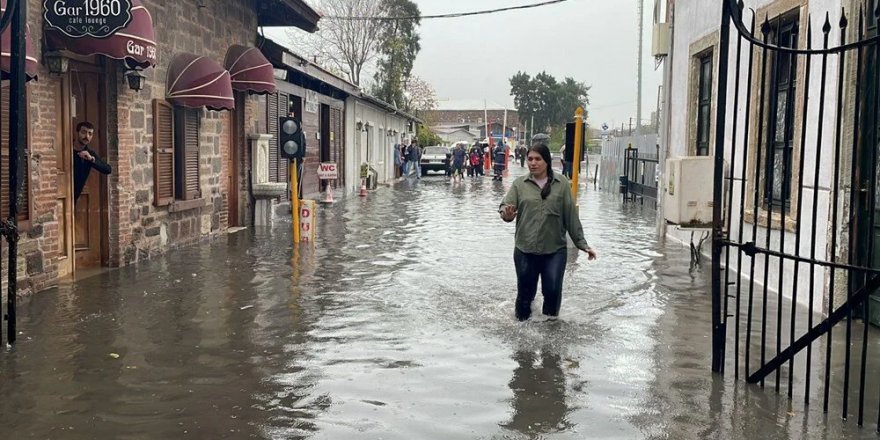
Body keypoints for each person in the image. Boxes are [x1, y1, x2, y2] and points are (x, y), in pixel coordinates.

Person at [498, 139, 597, 321]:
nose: (533, 163)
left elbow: (571, 216)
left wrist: (583, 244)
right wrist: (508, 214)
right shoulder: (520, 184)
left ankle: (551, 332)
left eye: (538, 159)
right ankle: (521, 335)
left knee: (552, 291)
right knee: (525, 295)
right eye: (530, 159)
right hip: (525, 249)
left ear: (547, 162)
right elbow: (506, 208)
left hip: (554, 250)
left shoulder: (562, 184)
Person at [73, 121, 112, 203]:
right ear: (77, 132)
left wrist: (91, 159)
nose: (87, 136)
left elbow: (108, 169)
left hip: (75, 196)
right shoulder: (66, 149)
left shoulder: (90, 154)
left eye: (90, 134)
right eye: (84, 132)